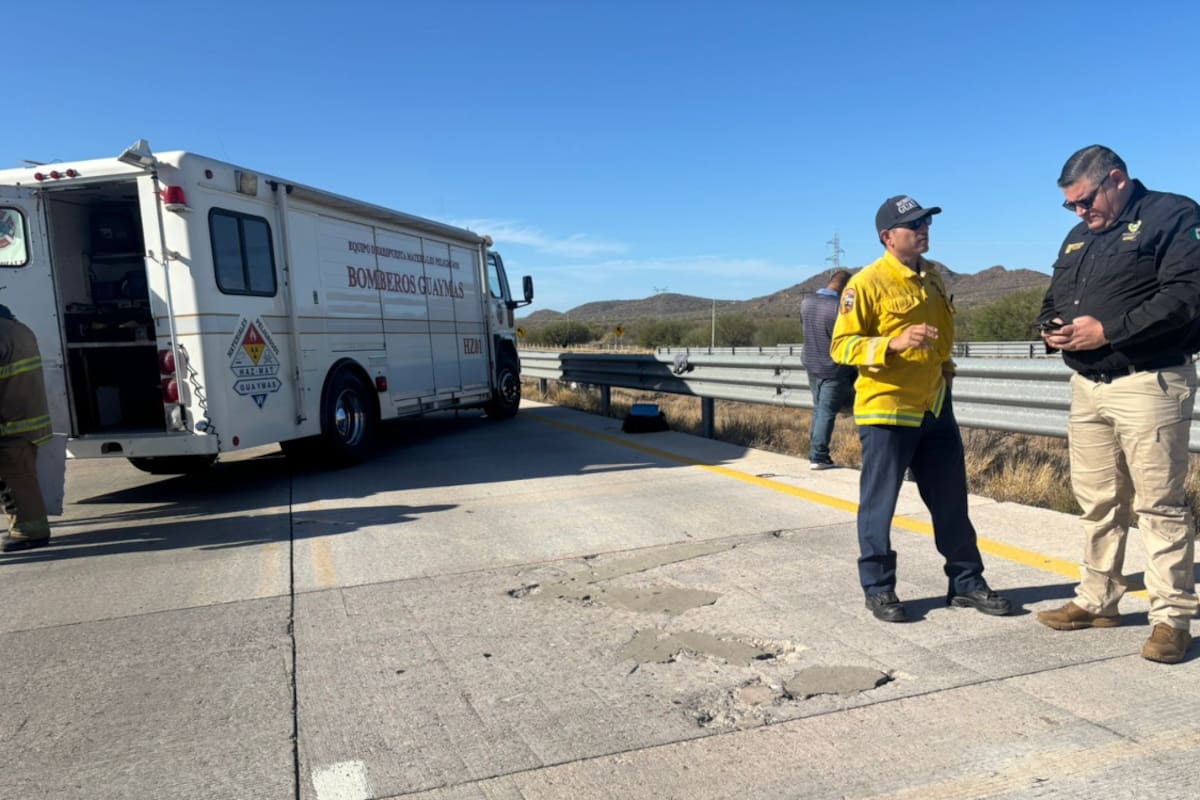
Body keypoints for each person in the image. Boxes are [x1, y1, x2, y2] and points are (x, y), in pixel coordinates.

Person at [1035, 145, 1200, 664]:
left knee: (1158, 503)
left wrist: (1110, 329)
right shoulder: (1080, 235)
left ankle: (1171, 616)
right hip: (1088, 386)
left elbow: (1186, 296)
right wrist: (1049, 329)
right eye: (1071, 207)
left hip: (1148, 381)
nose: (1080, 213)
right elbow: (1054, 294)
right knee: (1098, 500)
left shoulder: (1173, 215)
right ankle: (1098, 598)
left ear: (1117, 179)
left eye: (1084, 201)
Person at [831, 195, 1011, 623]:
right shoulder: (866, 284)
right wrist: (890, 343)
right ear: (888, 238)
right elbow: (841, 346)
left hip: (934, 405)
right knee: (880, 504)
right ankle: (879, 589)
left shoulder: (932, 278)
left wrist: (945, 368)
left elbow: (940, 335)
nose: (923, 229)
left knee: (951, 501)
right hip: (888, 409)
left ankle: (966, 583)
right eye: (913, 225)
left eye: (925, 222)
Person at [0, 302, 53, 552]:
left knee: (17, 480)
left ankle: (29, 532)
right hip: (26, 420)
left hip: (10, 424)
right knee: (21, 478)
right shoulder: (18, 328)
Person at [801, 270, 857, 470]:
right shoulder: (839, 309)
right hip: (834, 368)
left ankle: (814, 451)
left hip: (812, 364)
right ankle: (818, 455)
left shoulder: (806, 303)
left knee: (819, 409)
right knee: (826, 412)